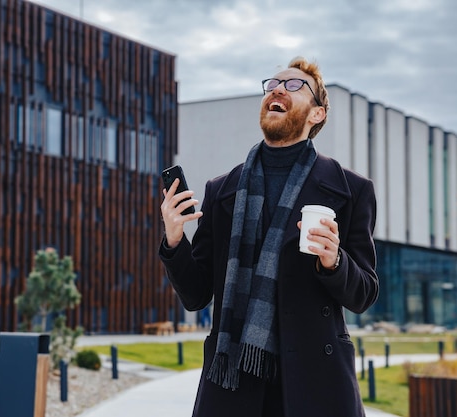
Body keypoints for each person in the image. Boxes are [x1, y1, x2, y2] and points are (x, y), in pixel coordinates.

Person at [158, 56, 378, 417]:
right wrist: (174, 240)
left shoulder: (351, 190)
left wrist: (334, 261)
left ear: (317, 114)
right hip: (234, 381)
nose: (277, 89)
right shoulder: (223, 190)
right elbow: (196, 295)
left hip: (317, 382)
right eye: (273, 84)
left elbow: (364, 294)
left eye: (294, 85)